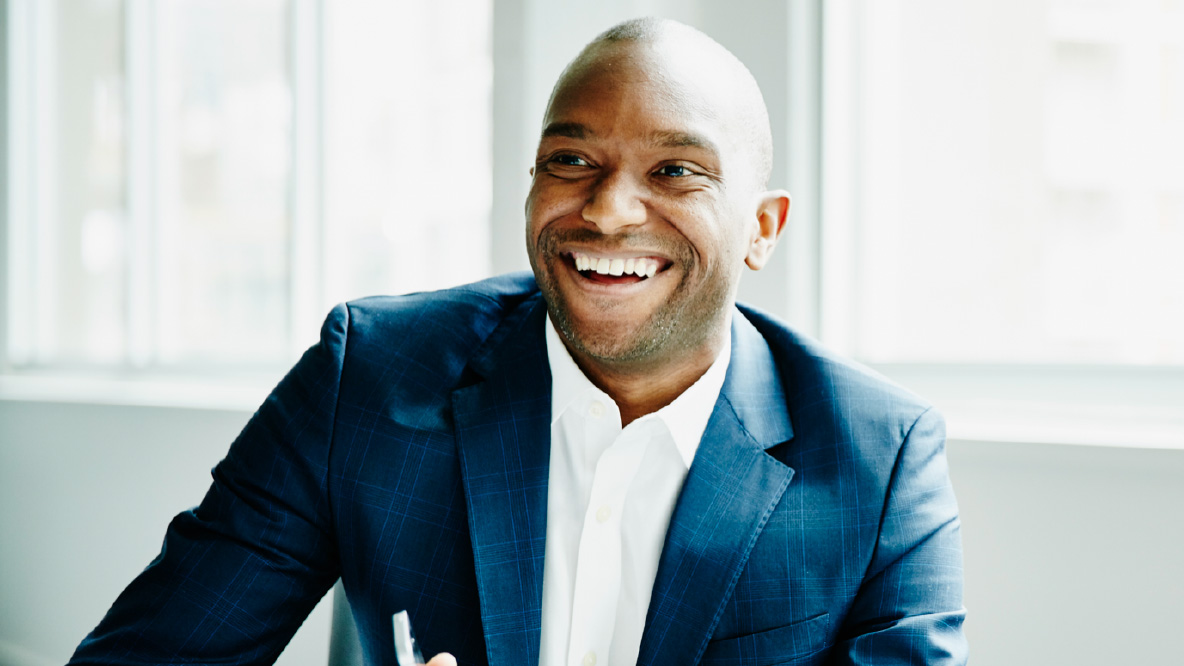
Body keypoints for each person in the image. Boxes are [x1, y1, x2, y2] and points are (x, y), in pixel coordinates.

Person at [70, 17, 967, 666]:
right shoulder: (368, 377)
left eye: (676, 171)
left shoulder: (878, 459)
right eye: (571, 161)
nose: (608, 210)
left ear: (760, 228)